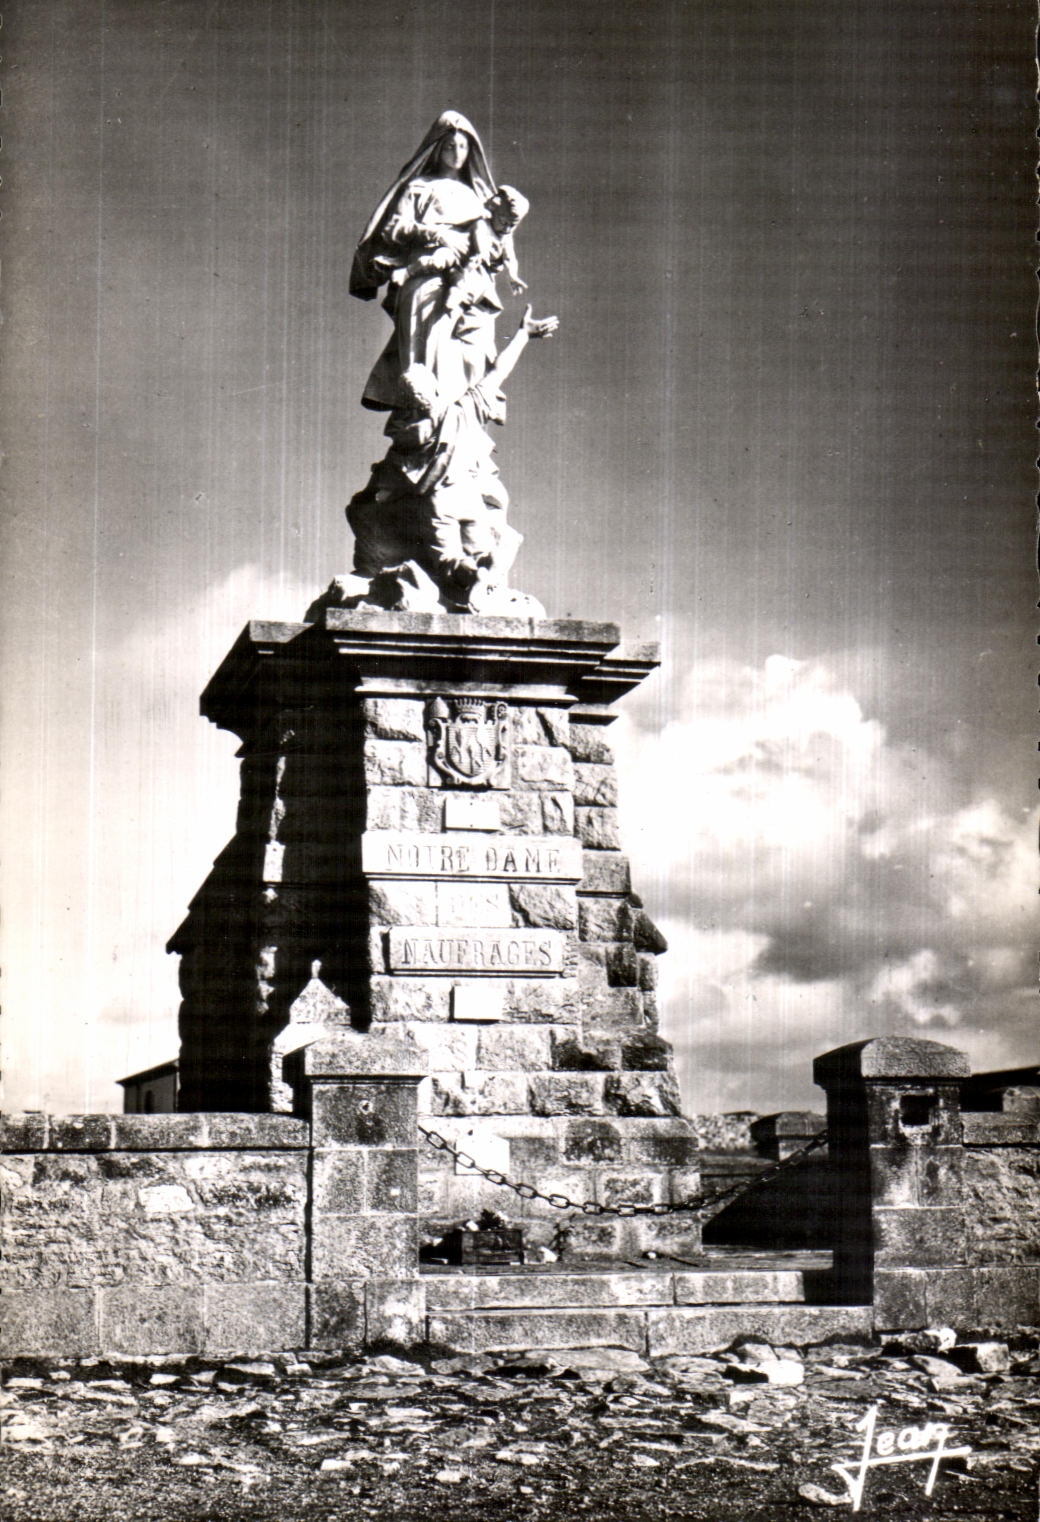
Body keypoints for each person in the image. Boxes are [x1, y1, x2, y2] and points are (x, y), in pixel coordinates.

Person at [347, 305, 558, 609]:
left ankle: (475, 578)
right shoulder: (463, 411)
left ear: (406, 406)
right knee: (479, 549)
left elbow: (382, 487)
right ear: (434, 392)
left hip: (440, 505)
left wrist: (368, 502)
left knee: (450, 562)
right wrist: (523, 334)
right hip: (468, 497)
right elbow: (497, 371)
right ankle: (491, 564)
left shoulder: (405, 439)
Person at [351, 112, 508, 411]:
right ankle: (419, 424)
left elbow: (490, 245)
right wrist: (438, 235)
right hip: (425, 281)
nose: (457, 153)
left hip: (468, 288)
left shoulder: (476, 198)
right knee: (421, 357)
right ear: (438, 148)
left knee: (467, 358)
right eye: (450, 146)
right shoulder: (419, 187)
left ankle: (453, 426)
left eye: (463, 147)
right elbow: (392, 228)